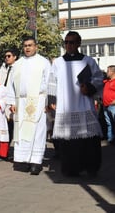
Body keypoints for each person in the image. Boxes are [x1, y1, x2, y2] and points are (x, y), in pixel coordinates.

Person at [48, 31, 103, 177]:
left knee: (89, 138)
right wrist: (52, 100)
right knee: (69, 141)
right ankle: (71, 169)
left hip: (84, 103)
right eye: (66, 42)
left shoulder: (88, 61)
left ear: (79, 44)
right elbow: (52, 82)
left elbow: (98, 78)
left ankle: (91, 168)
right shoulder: (58, 62)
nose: (68, 45)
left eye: (71, 42)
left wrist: (90, 87)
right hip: (66, 106)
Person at [6, 36, 50, 175]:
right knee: (22, 131)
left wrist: (48, 102)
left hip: (38, 101)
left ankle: (36, 162)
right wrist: (12, 102)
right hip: (22, 101)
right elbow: (11, 84)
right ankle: (24, 160)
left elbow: (49, 82)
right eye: (25, 45)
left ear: (36, 46)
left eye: (30, 45)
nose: (27, 48)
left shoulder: (43, 62)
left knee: (37, 131)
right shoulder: (18, 64)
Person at [0, 49, 18, 149]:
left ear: (15, 57)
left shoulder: (18, 68)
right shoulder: (3, 68)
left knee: (11, 125)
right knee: (2, 125)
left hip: (12, 100)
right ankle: (2, 149)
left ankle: (8, 148)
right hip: (2, 99)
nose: (6, 58)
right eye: (5, 56)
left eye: (9, 56)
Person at [103, 65, 115, 144]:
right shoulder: (106, 81)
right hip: (106, 106)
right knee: (109, 123)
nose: (107, 72)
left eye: (108, 71)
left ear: (113, 72)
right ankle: (110, 139)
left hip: (113, 106)